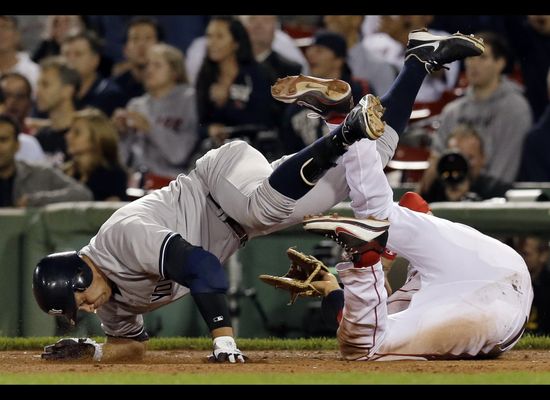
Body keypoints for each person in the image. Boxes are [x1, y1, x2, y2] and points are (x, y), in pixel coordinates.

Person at [32, 29, 483, 363]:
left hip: (219, 185)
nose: (86, 309)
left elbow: (204, 267)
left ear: (77, 275)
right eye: (78, 312)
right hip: (245, 209)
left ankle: (339, 127)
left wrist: (222, 339)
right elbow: (129, 347)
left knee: (266, 206)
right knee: (370, 157)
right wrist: (93, 352)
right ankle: (418, 61)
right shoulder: (110, 301)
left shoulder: (120, 239)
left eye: (79, 301)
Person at [297, 108, 532, 360]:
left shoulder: (399, 314)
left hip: (492, 307)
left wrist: (348, 284)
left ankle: (365, 259)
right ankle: (341, 117)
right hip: (500, 271)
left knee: (365, 345)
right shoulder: (396, 311)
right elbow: (413, 203)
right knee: (380, 211)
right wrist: (335, 288)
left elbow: (414, 202)